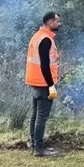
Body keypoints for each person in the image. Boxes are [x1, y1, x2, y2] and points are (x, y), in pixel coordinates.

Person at [24, 11, 62, 157]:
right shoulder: (45, 39)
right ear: (49, 22)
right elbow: (45, 65)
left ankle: (34, 144)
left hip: (35, 81)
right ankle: (39, 149)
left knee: (35, 115)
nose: (59, 24)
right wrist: (51, 85)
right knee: (41, 116)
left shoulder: (37, 36)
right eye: (57, 21)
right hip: (43, 82)